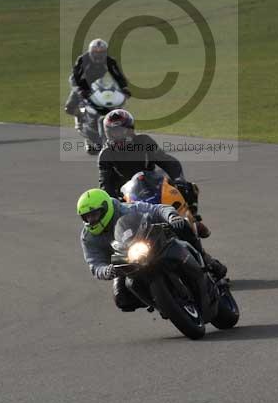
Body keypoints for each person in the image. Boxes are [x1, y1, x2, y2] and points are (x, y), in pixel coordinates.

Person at [77, 188, 226, 312]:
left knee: (183, 224)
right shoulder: (88, 237)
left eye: (94, 214)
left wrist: (172, 217)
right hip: (124, 261)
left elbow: (157, 209)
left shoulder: (127, 209)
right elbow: (95, 263)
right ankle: (159, 303)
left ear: (106, 208)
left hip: (150, 242)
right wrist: (107, 271)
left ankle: (207, 261)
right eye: (87, 217)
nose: (91, 220)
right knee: (121, 299)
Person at [97, 108, 210, 235]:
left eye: (120, 131)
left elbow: (167, 161)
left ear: (130, 130)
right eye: (113, 132)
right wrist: (112, 199)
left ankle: (192, 220)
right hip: (126, 195)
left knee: (188, 188)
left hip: (153, 185)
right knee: (110, 219)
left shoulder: (144, 141)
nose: (116, 136)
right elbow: (105, 182)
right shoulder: (105, 154)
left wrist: (179, 179)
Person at [65, 39, 130, 129]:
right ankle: (80, 116)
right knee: (69, 107)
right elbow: (75, 77)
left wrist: (124, 88)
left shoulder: (110, 61)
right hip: (82, 82)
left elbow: (118, 75)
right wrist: (78, 89)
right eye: (95, 52)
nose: (98, 55)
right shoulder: (83, 59)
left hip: (97, 82)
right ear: (90, 52)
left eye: (101, 52)